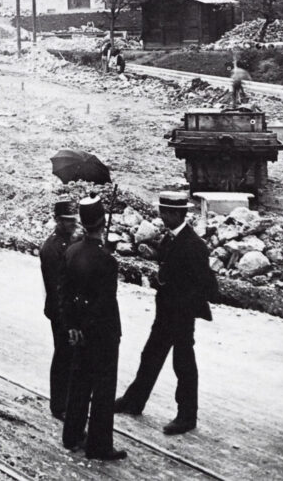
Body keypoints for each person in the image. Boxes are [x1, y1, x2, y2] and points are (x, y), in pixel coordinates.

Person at [115, 191, 217, 436]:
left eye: (165, 212)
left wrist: (183, 308)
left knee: (183, 365)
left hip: (181, 317)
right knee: (149, 356)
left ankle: (186, 417)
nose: (161, 216)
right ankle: (134, 401)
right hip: (165, 315)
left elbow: (208, 288)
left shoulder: (194, 246)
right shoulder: (169, 240)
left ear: (176, 214)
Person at [61, 197, 127, 461]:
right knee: (102, 389)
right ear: (102, 223)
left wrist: (73, 326)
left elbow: (64, 293)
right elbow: (104, 304)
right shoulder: (107, 262)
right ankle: (99, 446)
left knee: (78, 383)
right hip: (103, 335)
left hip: (79, 333)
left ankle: (72, 435)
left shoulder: (71, 251)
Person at [39, 198, 78, 420]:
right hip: (60, 311)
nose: (72, 224)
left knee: (71, 356)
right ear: (57, 220)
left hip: (70, 310)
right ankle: (59, 404)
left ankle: (68, 398)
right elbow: (57, 288)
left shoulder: (69, 241)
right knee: (63, 356)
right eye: (67, 221)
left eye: (73, 220)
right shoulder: (51, 248)